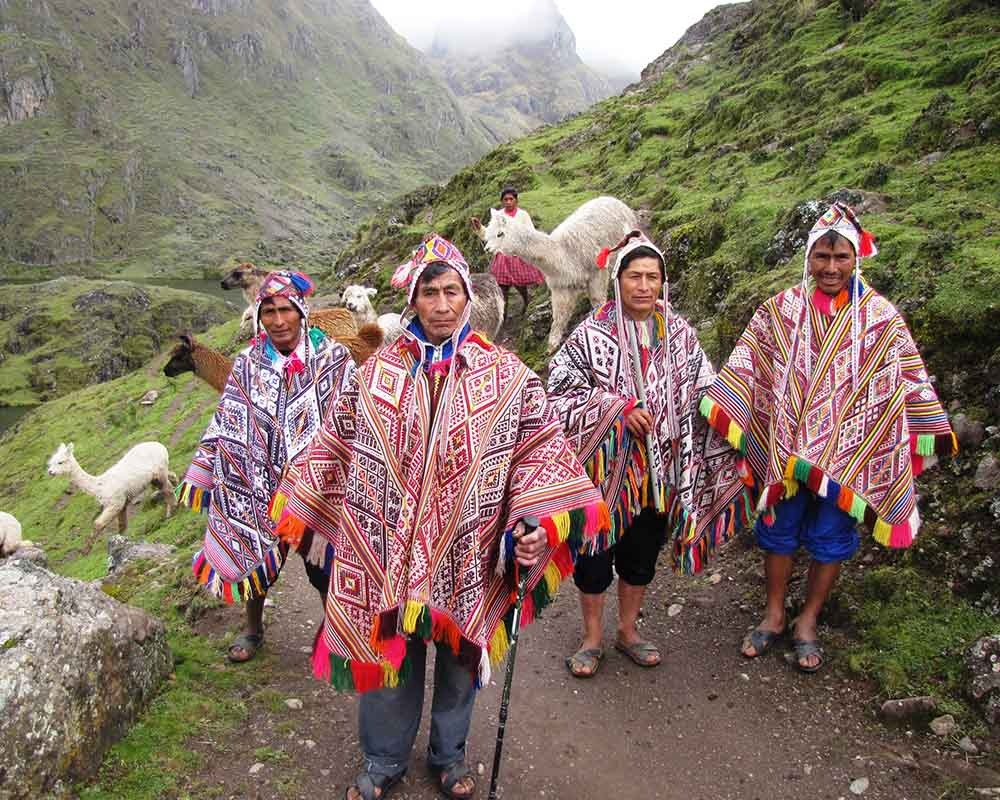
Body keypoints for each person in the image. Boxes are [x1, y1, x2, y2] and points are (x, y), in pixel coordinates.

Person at [272, 235, 609, 800]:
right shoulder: (376, 374)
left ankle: (448, 757)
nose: (443, 303)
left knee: (460, 655)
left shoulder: (508, 376)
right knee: (388, 648)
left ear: (467, 298)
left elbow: (537, 449)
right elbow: (337, 442)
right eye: (431, 292)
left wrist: (533, 524)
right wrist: (301, 498)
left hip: (468, 546)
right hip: (384, 549)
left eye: (453, 291)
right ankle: (382, 760)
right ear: (415, 300)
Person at [701, 203, 957, 672]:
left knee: (831, 536)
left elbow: (905, 382)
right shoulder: (780, 311)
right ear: (808, 257)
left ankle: (808, 621)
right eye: (822, 256)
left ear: (857, 258)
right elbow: (751, 369)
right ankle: (774, 614)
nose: (832, 267)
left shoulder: (880, 318)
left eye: (842, 257)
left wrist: (911, 431)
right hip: (787, 450)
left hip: (851, 455)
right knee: (777, 531)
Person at [547, 231, 752, 678]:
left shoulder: (679, 335)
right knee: (595, 554)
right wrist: (615, 410)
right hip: (604, 473)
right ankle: (591, 638)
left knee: (641, 555)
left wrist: (732, 416)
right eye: (634, 276)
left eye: (652, 277)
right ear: (617, 279)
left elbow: (703, 384)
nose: (644, 286)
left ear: (663, 282)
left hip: (663, 471)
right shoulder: (589, 335)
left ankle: (627, 631)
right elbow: (559, 393)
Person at [176, 270, 357, 663]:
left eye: (286, 310)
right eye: (269, 312)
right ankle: (253, 628)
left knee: (322, 562)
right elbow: (231, 419)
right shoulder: (247, 364)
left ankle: (335, 633)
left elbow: (351, 418)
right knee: (253, 551)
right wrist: (223, 468)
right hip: (258, 479)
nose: (278, 321)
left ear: (301, 311)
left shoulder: (332, 358)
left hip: (317, 484)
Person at [470, 186, 545, 316]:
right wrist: (479, 227)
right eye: (506, 199)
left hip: (517, 256)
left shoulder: (523, 215)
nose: (508, 202)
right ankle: (502, 315)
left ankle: (527, 303)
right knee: (502, 287)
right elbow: (489, 234)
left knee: (520, 285)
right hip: (502, 256)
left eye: (511, 199)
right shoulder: (498, 216)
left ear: (516, 201)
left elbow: (530, 233)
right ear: (502, 201)